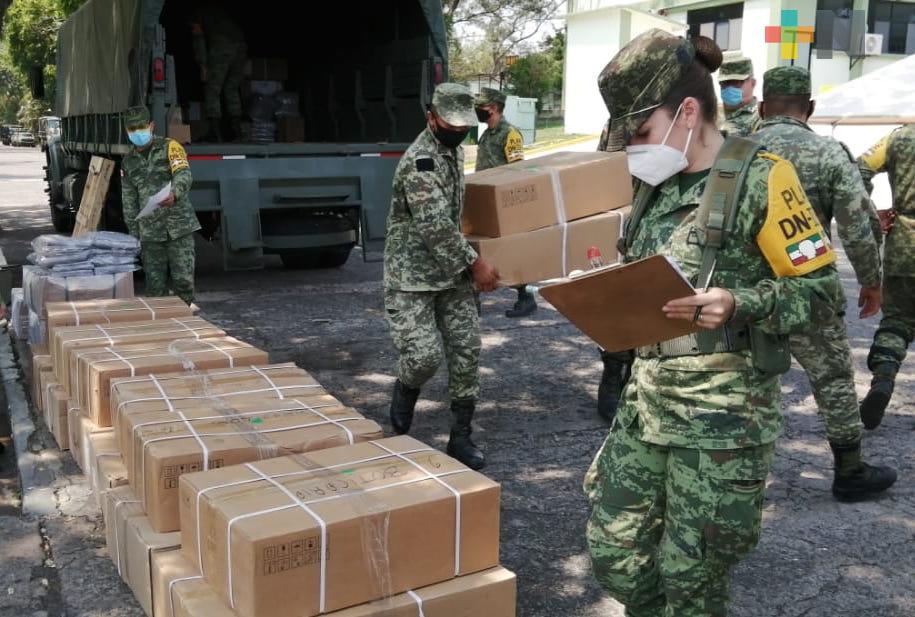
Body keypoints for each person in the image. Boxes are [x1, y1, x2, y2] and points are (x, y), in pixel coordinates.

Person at [584, 31, 843, 615]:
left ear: (688, 112)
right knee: (613, 550)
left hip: (723, 420)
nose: (634, 150)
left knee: (691, 576)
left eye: (643, 134)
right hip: (648, 401)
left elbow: (822, 291)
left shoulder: (763, 177)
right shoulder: (654, 183)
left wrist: (740, 301)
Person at [752, 65, 896, 501]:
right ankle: (849, 472)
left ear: (761, 107)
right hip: (808, 287)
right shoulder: (830, 152)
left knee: (745, 379)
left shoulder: (734, 151)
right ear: (810, 108)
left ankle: (735, 475)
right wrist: (872, 282)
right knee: (832, 377)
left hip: (744, 293)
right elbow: (859, 224)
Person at [384, 83, 500, 470]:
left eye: (465, 127)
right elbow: (435, 226)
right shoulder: (420, 162)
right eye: (451, 126)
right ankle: (401, 410)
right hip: (413, 278)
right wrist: (477, 264)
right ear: (431, 117)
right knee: (422, 358)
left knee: (467, 352)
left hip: (451, 278)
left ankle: (461, 437)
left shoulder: (451, 151)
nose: (459, 133)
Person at [857, 123, 915, 428]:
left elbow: (859, 169)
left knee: (897, 321)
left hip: (905, 245)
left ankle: (883, 378)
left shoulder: (898, 137)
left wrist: (871, 210)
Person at [121, 106, 200, 304]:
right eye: (132, 129)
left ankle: (184, 324)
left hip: (179, 226)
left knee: (184, 282)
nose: (137, 132)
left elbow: (184, 174)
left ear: (151, 125)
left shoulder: (171, 147)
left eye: (141, 127)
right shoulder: (128, 162)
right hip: (150, 233)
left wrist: (175, 193)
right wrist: (134, 235)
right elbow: (129, 200)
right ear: (126, 131)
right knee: (155, 289)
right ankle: (164, 328)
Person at [473, 87, 533, 318]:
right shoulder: (487, 134)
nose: (478, 111)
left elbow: (517, 171)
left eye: (482, 107)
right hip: (483, 200)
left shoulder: (510, 133)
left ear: (495, 107)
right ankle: (473, 298)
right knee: (479, 247)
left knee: (512, 249)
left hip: (502, 202)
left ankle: (525, 296)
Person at [595, 117, 634, 423]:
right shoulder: (615, 125)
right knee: (618, 307)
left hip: (658, 218)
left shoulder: (675, 116)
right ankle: (611, 379)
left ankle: (634, 383)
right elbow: (599, 169)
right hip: (622, 219)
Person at [191, 2, 247, 142]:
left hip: (221, 47)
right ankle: (237, 131)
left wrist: (203, 65)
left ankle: (214, 133)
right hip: (240, 47)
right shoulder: (222, 11)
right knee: (231, 88)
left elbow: (199, 39)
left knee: (212, 89)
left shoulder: (199, 11)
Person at [718, 53, 760, 137]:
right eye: (725, 83)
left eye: (737, 82)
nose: (730, 88)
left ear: (753, 83)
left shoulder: (759, 118)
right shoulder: (712, 114)